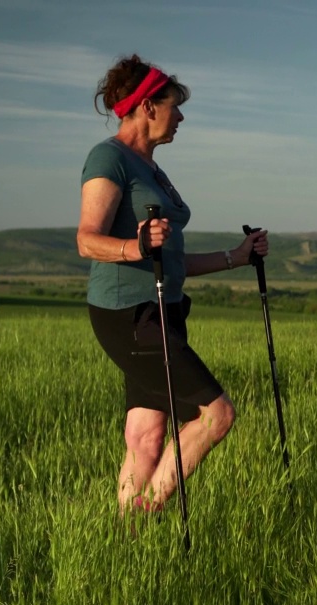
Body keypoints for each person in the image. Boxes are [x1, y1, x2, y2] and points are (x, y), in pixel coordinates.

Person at [77, 55, 268, 517]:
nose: (180, 116)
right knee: (216, 414)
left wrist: (235, 258)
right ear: (147, 106)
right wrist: (135, 246)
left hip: (163, 307)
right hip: (129, 313)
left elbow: (172, 259)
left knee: (145, 435)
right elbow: (86, 240)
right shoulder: (109, 157)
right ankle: (149, 510)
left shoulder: (151, 167)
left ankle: (127, 535)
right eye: (174, 105)